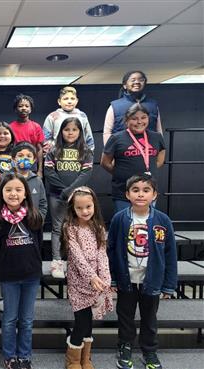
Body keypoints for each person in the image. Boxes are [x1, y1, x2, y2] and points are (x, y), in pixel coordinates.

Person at [107, 174, 177, 369]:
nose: (140, 194)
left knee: (149, 319)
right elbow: (111, 250)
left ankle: (149, 351)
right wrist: (112, 279)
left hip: (152, 281)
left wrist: (169, 285)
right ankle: (125, 347)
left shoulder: (162, 220)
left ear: (154, 195)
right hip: (126, 280)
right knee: (125, 317)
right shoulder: (120, 219)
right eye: (135, 190)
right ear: (127, 194)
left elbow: (170, 255)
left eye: (146, 190)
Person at [0, 173, 43, 369]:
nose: (13, 194)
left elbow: (37, 244)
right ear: (1, 193)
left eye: (18, 189)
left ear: (25, 193)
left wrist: (35, 267)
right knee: (10, 319)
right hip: (9, 277)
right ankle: (9, 356)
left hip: (31, 276)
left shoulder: (34, 216)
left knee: (27, 320)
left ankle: (24, 356)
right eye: (8, 189)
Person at [61, 187, 113, 369]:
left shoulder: (98, 226)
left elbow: (102, 254)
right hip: (79, 282)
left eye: (88, 207)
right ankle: (73, 359)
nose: (85, 211)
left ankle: (85, 359)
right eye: (80, 208)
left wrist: (104, 278)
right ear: (72, 209)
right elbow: (76, 255)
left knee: (89, 323)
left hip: (96, 282)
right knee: (82, 323)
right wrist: (91, 276)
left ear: (94, 205)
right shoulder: (69, 227)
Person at [0, 141, 47, 313]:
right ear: (13, 159)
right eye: (20, 156)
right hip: (9, 232)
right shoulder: (6, 178)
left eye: (28, 156)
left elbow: (43, 204)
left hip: (30, 227)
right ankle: (7, 301)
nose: (24, 159)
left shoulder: (37, 180)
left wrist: (36, 219)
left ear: (34, 160)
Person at [44, 118, 93, 278]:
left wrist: (72, 190)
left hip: (78, 197)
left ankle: (76, 262)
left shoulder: (85, 151)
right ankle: (57, 263)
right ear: (61, 131)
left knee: (76, 228)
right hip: (57, 195)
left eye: (74, 130)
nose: (70, 133)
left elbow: (85, 173)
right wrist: (63, 190)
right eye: (67, 129)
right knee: (57, 228)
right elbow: (49, 172)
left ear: (80, 132)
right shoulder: (53, 150)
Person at [100, 103, 165, 213]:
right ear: (126, 120)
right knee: (125, 225)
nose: (139, 122)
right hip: (123, 193)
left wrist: (145, 172)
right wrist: (121, 174)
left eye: (143, 118)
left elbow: (160, 160)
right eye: (134, 119)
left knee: (147, 225)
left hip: (147, 191)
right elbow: (105, 162)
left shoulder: (156, 137)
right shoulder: (116, 138)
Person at [103, 71, 163, 145]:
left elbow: (159, 131)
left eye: (141, 80)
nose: (137, 82)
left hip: (149, 151)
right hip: (122, 151)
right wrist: (109, 153)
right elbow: (107, 132)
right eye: (133, 80)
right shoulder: (115, 106)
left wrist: (161, 149)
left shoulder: (153, 105)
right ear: (125, 85)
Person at [42, 86, 95, 153]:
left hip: (79, 155)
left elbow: (88, 137)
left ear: (77, 101)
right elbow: (46, 138)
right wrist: (50, 154)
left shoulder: (82, 116)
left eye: (72, 99)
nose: (69, 101)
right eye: (66, 99)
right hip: (58, 156)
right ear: (59, 101)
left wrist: (89, 153)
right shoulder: (52, 116)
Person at [8, 94, 45, 175]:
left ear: (30, 109)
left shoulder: (36, 127)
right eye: (20, 106)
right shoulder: (10, 127)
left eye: (27, 106)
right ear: (15, 109)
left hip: (32, 165)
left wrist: (40, 170)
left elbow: (39, 150)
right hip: (15, 166)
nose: (24, 108)